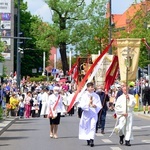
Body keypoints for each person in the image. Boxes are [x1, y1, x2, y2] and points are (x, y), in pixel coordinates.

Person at [78, 82, 102, 147]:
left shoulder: (96, 96)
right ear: (88, 88)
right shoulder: (84, 96)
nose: (92, 88)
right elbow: (82, 105)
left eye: (93, 87)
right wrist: (88, 104)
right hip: (86, 114)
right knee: (87, 126)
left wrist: (95, 106)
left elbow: (99, 105)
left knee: (93, 126)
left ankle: (92, 139)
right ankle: (87, 138)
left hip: (93, 113)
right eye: (91, 87)